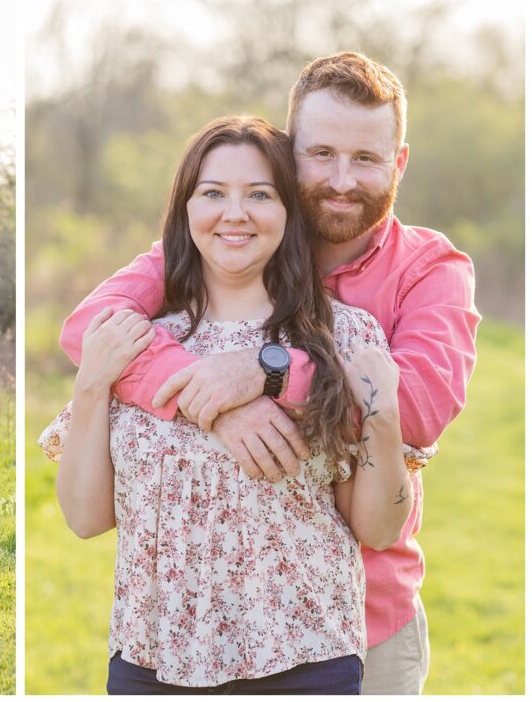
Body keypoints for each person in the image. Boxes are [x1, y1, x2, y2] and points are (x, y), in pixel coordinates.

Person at [59, 52, 480, 693]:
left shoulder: (429, 268)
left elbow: (414, 405)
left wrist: (270, 372)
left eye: (366, 158)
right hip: (175, 640)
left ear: (397, 162)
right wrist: (213, 397)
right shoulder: (232, 235)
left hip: (357, 622)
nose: (342, 180)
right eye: (322, 154)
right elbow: (88, 327)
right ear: (290, 153)